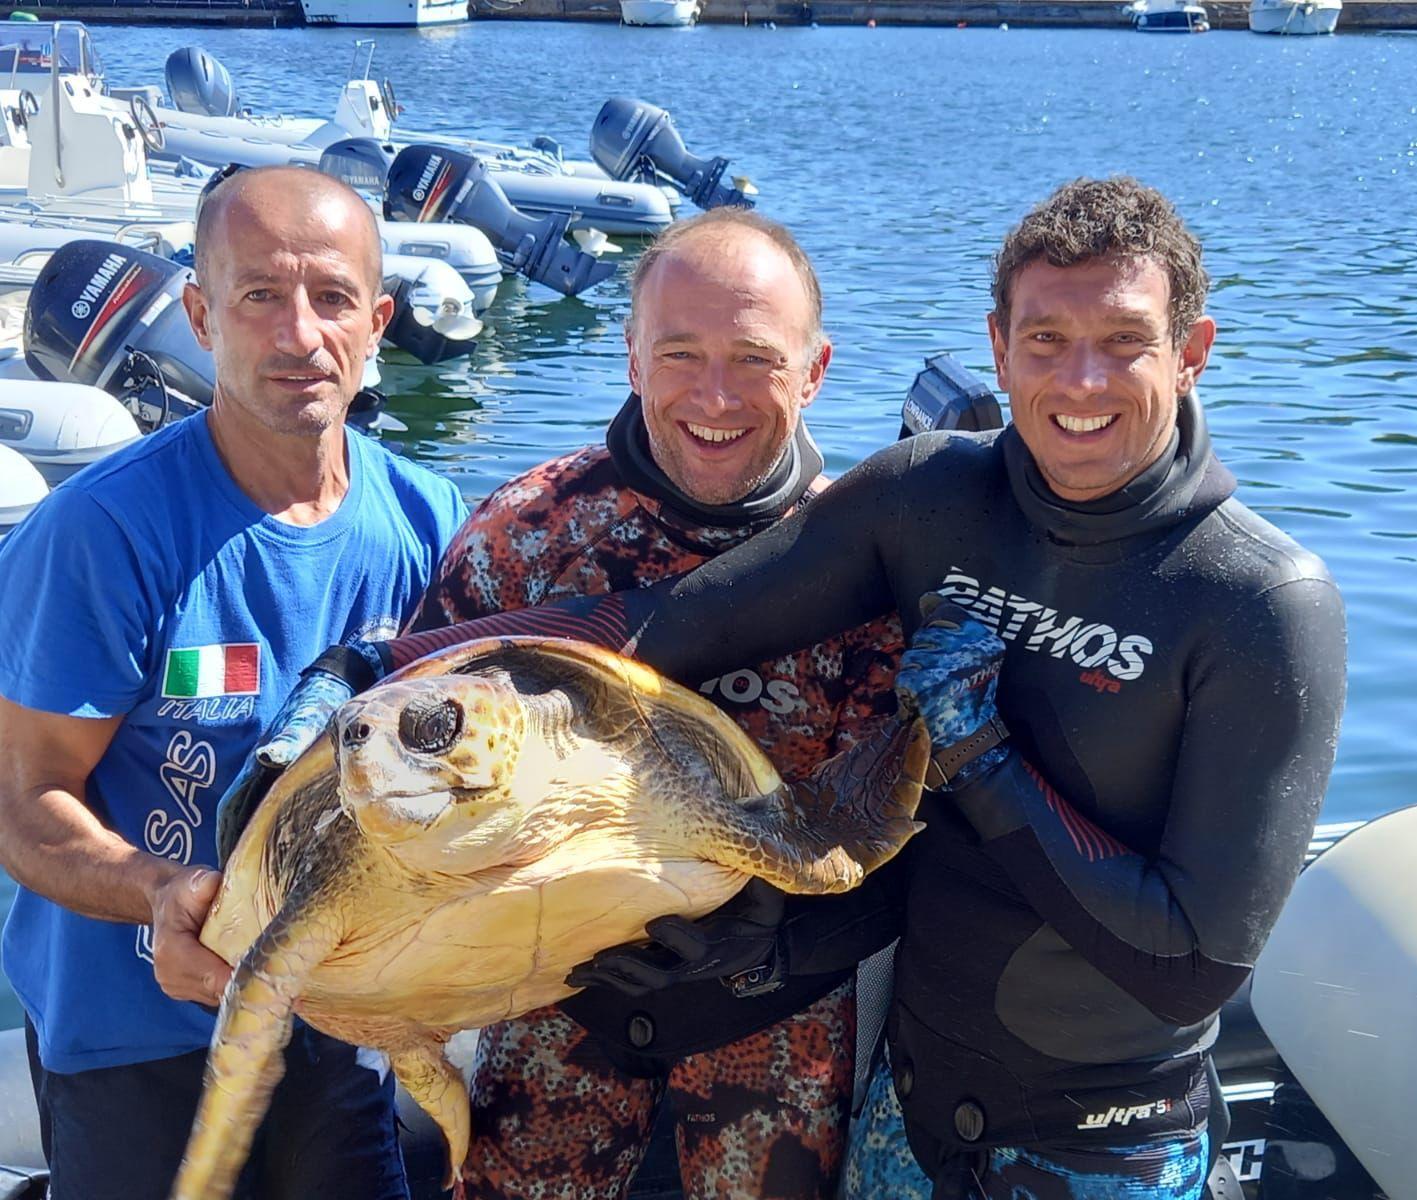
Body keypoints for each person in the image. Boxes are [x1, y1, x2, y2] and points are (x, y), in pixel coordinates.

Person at [252, 176, 1348, 1199]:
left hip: (1101, 1143)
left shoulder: (1259, 603)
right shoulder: (930, 505)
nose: (1080, 381)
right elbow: (670, 626)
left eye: (1124, 343)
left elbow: (1189, 968)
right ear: (998, 350)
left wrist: (974, 765)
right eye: (1048, 340)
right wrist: (376, 672)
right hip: (898, 1121)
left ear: (1193, 350)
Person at [226, 207, 904, 1200]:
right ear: (630, 357)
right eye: (679, 353)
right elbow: (393, 732)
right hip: (544, 1047)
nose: (714, 395)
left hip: (770, 1058)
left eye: (753, 358)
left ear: (815, 370)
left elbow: (909, 836)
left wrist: (770, 933)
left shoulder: (874, 571)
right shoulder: (523, 540)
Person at [0, 165, 466, 1200]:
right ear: (203, 317)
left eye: (333, 297)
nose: (300, 334)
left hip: (336, 1020)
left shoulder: (434, 527)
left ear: (379, 320)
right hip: (135, 1037)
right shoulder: (102, 535)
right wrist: (159, 894)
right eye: (260, 295)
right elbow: (23, 801)